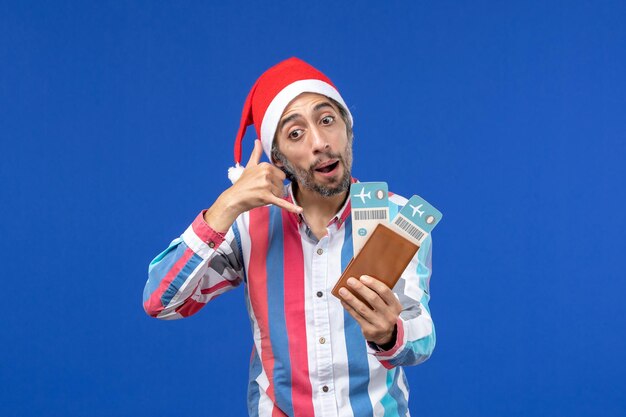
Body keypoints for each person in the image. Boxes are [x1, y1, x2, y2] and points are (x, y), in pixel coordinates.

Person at [143, 57, 435, 417]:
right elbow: (161, 301)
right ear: (278, 158)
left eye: (327, 120)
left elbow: (422, 336)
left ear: (348, 129)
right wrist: (226, 206)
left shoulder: (397, 219)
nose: (320, 143)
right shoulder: (247, 227)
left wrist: (390, 334)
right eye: (295, 133)